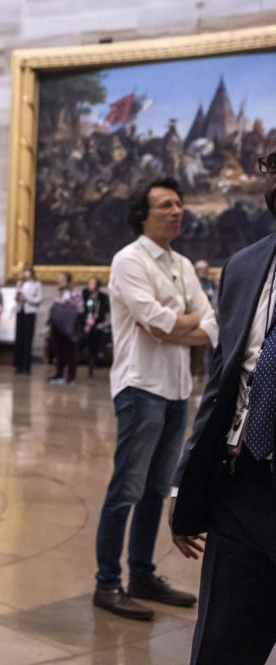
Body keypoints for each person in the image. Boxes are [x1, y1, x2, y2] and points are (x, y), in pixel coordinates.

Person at [93, 177, 217, 621]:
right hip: (140, 386)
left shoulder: (183, 265)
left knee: (156, 490)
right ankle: (107, 582)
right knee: (126, 487)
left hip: (177, 389)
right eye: (166, 204)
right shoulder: (128, 261)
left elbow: (211, 325)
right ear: (142, 215)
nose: (177, 210)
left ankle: (142, 574)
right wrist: (184, 327)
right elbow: (152, 322)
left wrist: (178, 326)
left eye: (180, 203)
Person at [171, 160, 276, 662]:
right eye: (273, 167)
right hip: (243, 490)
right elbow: (222, 384)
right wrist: (187, 484)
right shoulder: (245, 266)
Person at [48, 271, 82, 385]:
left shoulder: (75, 291)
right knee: (58, 350)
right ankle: (59, 374)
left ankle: (71, 376)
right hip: (57, 324)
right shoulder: (58, 292)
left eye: (61, 278)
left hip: (69, 324)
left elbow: (80, 308)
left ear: (67, 280)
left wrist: (66, 305)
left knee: (70, 351)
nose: (59, 281)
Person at [190, 258, 217, 377]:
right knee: (197, 352)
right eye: (199, 269)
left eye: (204, 269)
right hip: (197, 323)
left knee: (211, 352)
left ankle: (208, 376)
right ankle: (197, 376)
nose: (202, 271)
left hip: (212, 320)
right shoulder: (192, 283)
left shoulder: (211, 283)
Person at [13, 266, 42, 374]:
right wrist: (18, 297)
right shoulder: (20, 283)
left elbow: (38, 299)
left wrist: (27, 298)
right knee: (19, 337)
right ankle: (18, 364)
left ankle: (26, 365)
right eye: (25, 272)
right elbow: (16, 296)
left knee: (27, 338)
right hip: (21, 311)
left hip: (30, 312)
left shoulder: (37, 284)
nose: (26, 274)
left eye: (28, 272)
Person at [82, 277, 110, 377]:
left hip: (98, 325)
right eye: (89, 283)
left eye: (92, 283)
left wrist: (101, 324)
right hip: (86, 324)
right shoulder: (85, 295)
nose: (90, 285)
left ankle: (94, 362)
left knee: (96, 345)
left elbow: (106, 311)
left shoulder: (102, 297)